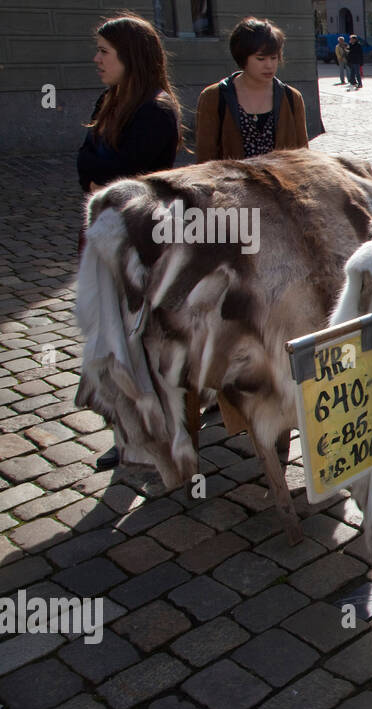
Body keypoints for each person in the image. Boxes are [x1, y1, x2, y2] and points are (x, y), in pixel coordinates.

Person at [77, 13, 183, 470]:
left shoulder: (154, 111)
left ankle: (151, 432)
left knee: (139, 342)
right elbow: (87, 165)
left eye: (105, 51)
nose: (97, 58)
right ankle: (127, 432)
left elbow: (122, 178)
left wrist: (99, 170)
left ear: (130, 56)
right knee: (109, 335)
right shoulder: (111, 99)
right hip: (104, 236)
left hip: (140, 243)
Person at [195, 17, 309, 162]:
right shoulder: (214, 97)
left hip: (281, 183)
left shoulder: (291, 97)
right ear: (243, 58)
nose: (269, 65)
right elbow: (205, 158)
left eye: (273, 58)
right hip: (232, 183)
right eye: (260, 59)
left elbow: (304, 158)